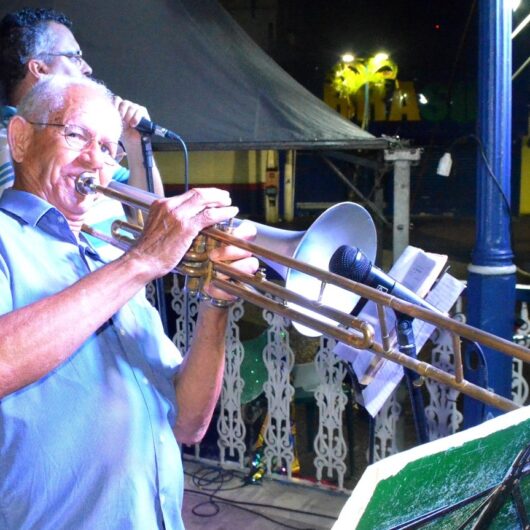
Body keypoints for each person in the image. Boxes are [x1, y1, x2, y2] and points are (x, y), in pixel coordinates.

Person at [0, 74, 258, 530]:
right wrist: (141, 262)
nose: (94, 162)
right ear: (20, 139)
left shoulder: (109, 254)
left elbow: (187, 424)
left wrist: (217, 304)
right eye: (76, 135)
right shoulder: (11, 242)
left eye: (108, 149)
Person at [0, 7, 164, 197]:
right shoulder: (6, 144)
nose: (87, 68)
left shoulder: (84, 139)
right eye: (74, 57)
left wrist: (135, 144)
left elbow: (148, 214)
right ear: (40, 69)